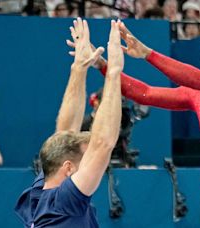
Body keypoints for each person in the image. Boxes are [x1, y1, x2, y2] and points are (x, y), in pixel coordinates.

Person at [71, 19, 200, 227]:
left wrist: (148, 54)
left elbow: (197, 79)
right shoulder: (198, 94)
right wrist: (101, 64)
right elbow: (146, 93)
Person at [15, 18, 123, 227]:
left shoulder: (39, 193)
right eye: (86, 158)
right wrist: (114, 72)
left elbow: (63, 133)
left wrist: (79, 68)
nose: (93, 161)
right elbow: (103, 144)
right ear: (68, 168)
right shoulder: (65, 202)